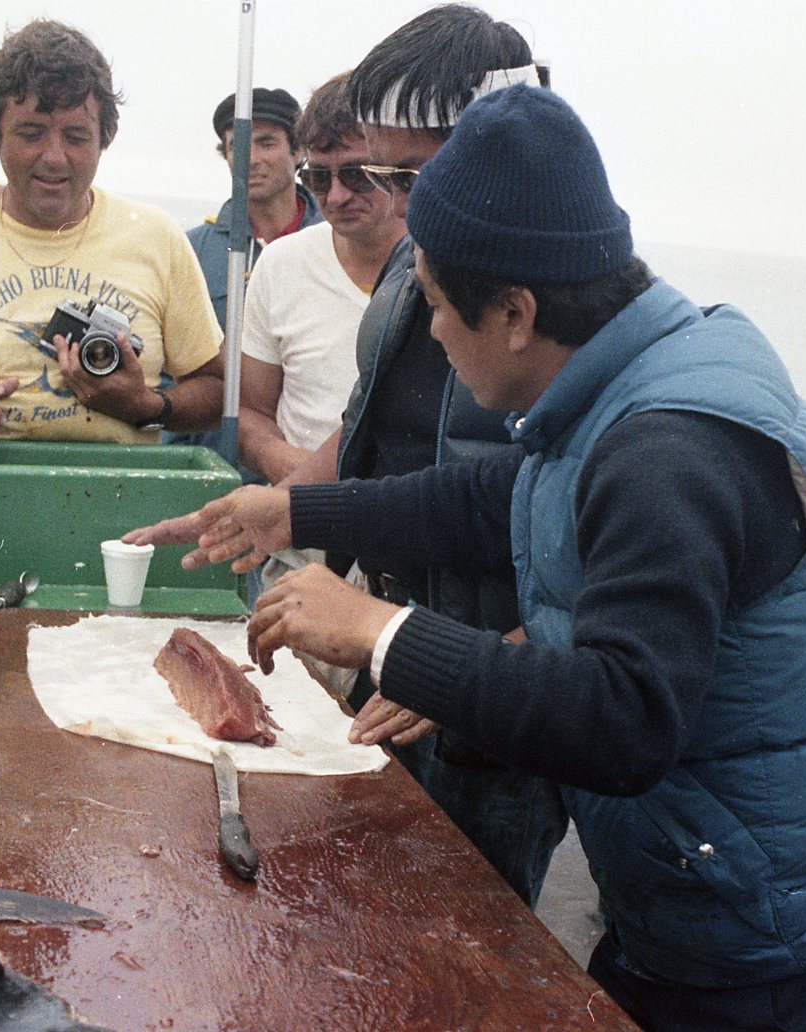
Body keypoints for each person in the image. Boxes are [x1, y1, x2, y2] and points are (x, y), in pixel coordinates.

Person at [133, 85, 806, 1031]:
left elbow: (625, 718)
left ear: (513, 312)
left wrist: (383, 632)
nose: (431, 331)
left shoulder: (670, 453)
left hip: (765, 951)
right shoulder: (630, 377)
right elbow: (495, 496)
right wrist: (294, 506)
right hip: (692, 892)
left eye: (435, 305)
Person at [188, 4, 571, 910]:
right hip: (391, 640)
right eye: (384, 174)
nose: (396, 202)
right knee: (357, 901)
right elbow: (366, 434)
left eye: (407, 174)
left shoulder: (559, 304)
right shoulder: (410, 271)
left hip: (491, 682)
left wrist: (471, 660)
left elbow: (571, 535)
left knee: (471, 929)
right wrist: (282, 507)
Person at [0, 19, 222, 446]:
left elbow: (218, 392)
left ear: (103, 140)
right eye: (31, 133)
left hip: (120, 485)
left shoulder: (157, 237)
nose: (54, 157)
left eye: (76, 137)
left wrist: (146, 405)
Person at [238, 72, 406, 485]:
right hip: (300, 520)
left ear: (395, 164)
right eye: (317, 177)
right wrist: (294, 470)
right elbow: (250, 412)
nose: (336, 195)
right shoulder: (280, 264)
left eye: (356, 174)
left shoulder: (438, 269)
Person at [185, 87, 321, 330]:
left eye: (266, 144)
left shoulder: (337, 238)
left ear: (299, 151)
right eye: (237, 146)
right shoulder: (194, 250)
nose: (251, 159)